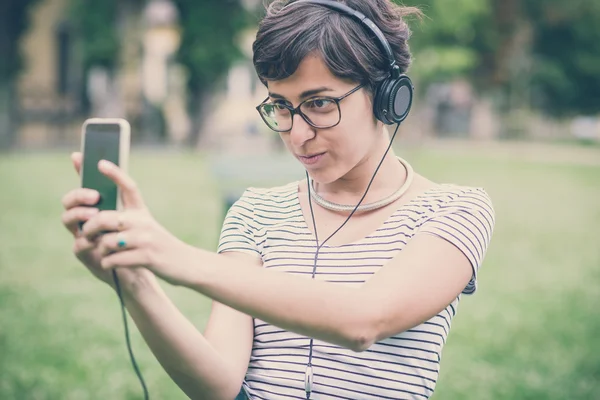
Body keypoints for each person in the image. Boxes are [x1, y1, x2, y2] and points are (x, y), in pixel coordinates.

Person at [60, 1, 495, 399]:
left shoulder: (456, 210)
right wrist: (137, 281)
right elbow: (219, 385)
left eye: (320, 104)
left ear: (387, 96)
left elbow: (365, 319)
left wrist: (173, 255)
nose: (297, 134)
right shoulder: (254, 213)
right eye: (281, 107)